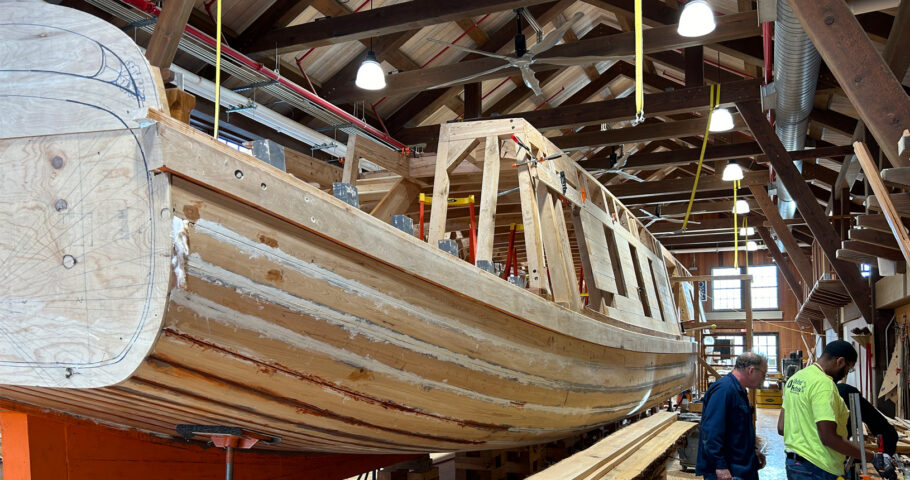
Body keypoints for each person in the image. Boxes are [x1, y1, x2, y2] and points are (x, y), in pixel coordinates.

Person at [778, 340, 871, 480]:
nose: (845, 374)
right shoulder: (824, 384)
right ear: (840, 361)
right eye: (848, 369)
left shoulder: (797, 378)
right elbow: (829, 438)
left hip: (794, 464)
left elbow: (781, 427)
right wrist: (870, 456)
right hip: (819, 467)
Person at [696, 352, 769, 480]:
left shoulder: (739, 391)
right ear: (751, 370)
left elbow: (739, 429)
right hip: (729, 470)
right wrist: (720, 466)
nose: (763, 378)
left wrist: (753, 451)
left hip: (741, 466)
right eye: (763, 374)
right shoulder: (724, 390)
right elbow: (711, 432)